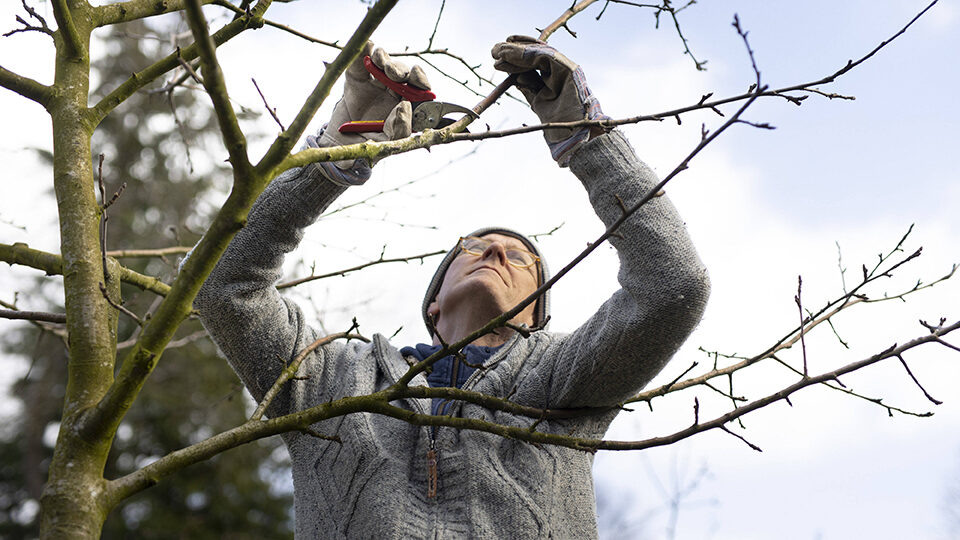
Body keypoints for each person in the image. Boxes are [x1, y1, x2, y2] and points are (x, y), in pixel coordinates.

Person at [194, 36, 710, 539]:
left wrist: (589, 140)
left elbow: (673, 285)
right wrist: (330, 161)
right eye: (474, 246)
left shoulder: (565, 379)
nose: (494, 252)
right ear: (434, 303)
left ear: (536, 317)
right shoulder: (333, 380)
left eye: (520, 258)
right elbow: (224, 288)